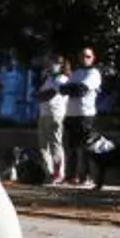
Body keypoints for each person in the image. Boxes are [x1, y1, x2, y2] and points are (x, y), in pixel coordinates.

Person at [60, 47, 102, 186]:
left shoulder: (94, 73)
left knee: (85, 148)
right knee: (71, 147)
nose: (85, 58)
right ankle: (70, 176)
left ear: (93, 58)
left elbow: (80, 90)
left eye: (88, 56)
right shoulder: (76, 73)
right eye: (83, 56)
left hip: (86, 115)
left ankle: (86, 177)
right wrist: (73, 89)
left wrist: (72, 89)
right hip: (71, 114)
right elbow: (63, 89)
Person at [35, 55, 70, 184]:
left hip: (56, 115)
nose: (51, 65)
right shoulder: (48, 78)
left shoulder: (63, 79)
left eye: (55, 63)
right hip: (43, 114)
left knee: (55, 144)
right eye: (50, 63)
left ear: (61, 65)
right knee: (43, 146)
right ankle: (48, 173)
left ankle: (59, 173)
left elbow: (49, 95)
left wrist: (41, 95)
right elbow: (39, 94)